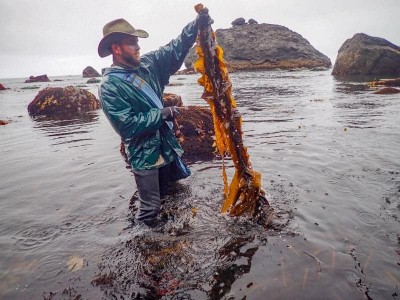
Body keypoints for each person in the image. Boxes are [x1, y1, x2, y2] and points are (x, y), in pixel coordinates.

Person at [97, 9, 212, 227]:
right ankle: (145, 247)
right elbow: (127, 127)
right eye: (132, 43)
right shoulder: (109, 87)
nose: (138, 47)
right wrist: (162, 114)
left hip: (165, 146)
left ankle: (173, 236)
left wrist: (196, 25)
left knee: (174, 194)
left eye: (138, 42)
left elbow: (174, 49)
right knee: (150, 210)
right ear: (116, 48)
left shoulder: (149, 66)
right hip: (144, 156)